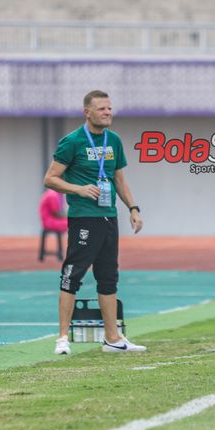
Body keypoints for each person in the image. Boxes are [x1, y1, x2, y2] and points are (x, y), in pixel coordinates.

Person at [43, 90, 145, 355]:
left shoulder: (114, 141)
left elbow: (119, 180)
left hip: (108, 217)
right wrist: (78, 189)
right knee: (72, 275)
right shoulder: (72, 141)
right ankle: (62, 338)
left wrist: (133, 208)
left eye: (110, 109)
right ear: (87, 112)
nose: (108, 113)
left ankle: (113, 338)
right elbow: (50, 178)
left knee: (108, 277)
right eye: (102, 109)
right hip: (83, 218)